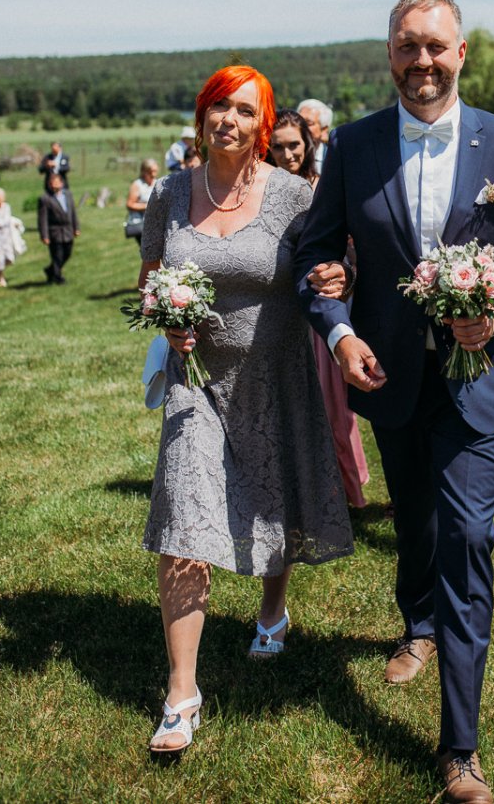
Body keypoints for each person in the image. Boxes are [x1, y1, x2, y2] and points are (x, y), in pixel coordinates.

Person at [295, 0, 494, 804]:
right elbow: (314, 252)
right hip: (388, 378)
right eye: (407, 47)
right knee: (415, 518)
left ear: (462, 52)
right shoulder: (354, 144)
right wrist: (339, 331)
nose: (422, 62)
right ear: (390, 55)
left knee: (467, 538)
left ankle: (461, 751)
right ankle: (416, 622)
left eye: (436, 47)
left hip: (477, 390)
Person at [138, 66, 354, 756]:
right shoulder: (172, 193)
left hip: (276, 373)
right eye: (215, 106)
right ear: (201, 117)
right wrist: (164, 316)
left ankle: (270, 608)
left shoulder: (293, 193)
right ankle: (181, 691)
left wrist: (334, 279)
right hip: (194, 378)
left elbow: (331, 265)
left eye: (241, 108)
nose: (226, 119)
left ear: (261, 122)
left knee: (271, 497)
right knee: (183, 514)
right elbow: (149, 280)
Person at [269, 109, 370, 508]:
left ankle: (351, 493)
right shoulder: (267, 188)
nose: (287, 153)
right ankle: (307, 490)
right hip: (279, 309)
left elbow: (350, 242)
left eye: (293, 144)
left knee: (336, 407)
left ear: (307, 144)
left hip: (322, 308)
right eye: (277, 146)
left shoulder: (324, 186)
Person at [38, 172, 80, 284]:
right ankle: (58, 278)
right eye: (52, 183)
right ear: (49, 184)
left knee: (67, 253)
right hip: (54, 232)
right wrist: (44, 235)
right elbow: (42, 219)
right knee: (57, 255)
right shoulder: (45, 199)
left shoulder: (68, 194)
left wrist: (76, 227)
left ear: (62, 183)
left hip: (68, 230)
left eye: (57, 182)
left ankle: (50, 270)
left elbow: (73, 213)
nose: (55, 185)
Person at [0, 187, 21, 287]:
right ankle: (1, 277)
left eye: (0, 198)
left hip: (7, 237)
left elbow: (9, 219)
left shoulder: (7, 207)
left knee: (10, 259)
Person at [125, 159, 159, 247]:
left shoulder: (157, 182)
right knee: (148, 251)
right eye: (151, 171)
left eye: (155, 171)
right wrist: (147, 206)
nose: (153, 174)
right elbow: (130, 204)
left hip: (155, 223)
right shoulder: (137, 185)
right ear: (144, 171)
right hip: (141, 224)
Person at [297, 99, 332, 174]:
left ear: (324, 129)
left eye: (309, 123)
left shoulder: (332, 158)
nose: (301, 127)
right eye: (298, 121)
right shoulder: (288, 156)